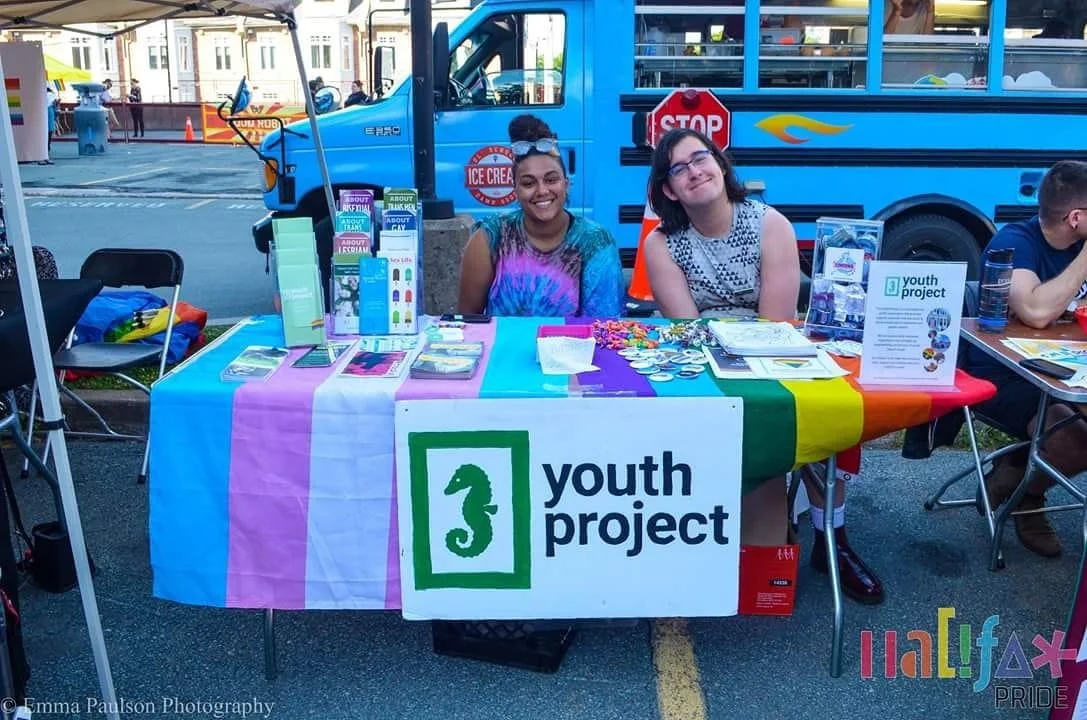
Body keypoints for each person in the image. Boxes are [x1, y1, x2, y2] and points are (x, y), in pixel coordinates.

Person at [643, 127, 883, 604]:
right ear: (668, 189)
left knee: (827, 405)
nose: (694, 171)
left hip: (773, 352)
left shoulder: (771, 224)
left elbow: (777, 323)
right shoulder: (662, 244)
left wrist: (737, 329)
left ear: (720, 163)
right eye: (679, 168)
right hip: (703, 359)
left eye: (701, 158)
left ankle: (831, 539)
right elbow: (689, 330)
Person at [965, 160, 1087, 558]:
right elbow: (1035, 312)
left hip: (1069, 367)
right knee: (1077, 436)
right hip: (1004, 372)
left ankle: (1018, 468)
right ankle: (1027, 493)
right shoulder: (1013, 243)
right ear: (1075, 218)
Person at [457, 114, 623, 317]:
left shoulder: (595, 242)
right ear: (515, 189)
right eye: (528, 183)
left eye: (551, 180)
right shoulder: (491, 237)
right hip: (502, 348)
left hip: (574, 348)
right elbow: (466, 323)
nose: (542, 190)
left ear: (566, 184)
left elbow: (604, 327)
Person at [41, 83, 57, 165]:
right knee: (49, 133)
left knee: (43, 134)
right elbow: (55, 104)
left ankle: (43, 154)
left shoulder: (41, 94)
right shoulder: (51, 95)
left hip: (43, 112)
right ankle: (46, 153)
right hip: (50, 112)